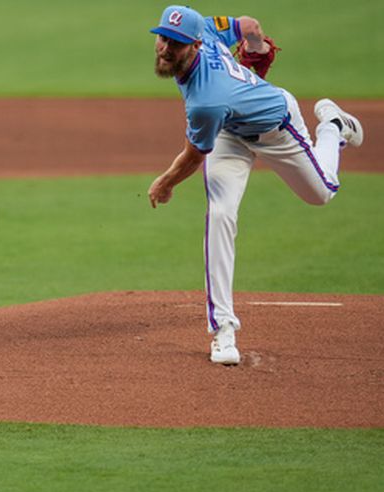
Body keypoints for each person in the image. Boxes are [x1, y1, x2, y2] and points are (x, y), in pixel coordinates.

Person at [147, 6, 364, 365]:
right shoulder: (206, 30)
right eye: (163, 38)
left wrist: (165, 183)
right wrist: (257, 49)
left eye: (177, 43)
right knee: (220, 214)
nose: (166, 48)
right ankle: (224, 331)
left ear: (196, 44)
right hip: (230, 135)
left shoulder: (206, 101)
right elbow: (249, 25)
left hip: (277, 129)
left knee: (322, 193)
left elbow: (192, 157)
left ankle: (332, 126)